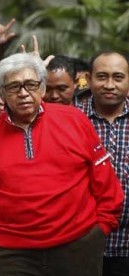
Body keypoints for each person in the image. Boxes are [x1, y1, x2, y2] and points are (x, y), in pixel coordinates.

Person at [0, 52, 124, 276]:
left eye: (30, 84)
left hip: (77, 246)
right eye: (13, 87)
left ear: (41, 88)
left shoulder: (74, 119)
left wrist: (102, 227)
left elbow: (104, 179)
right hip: (9, 254)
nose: (23, 93)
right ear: (2, 93)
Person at [77, 51, 129, 276]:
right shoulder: (72, 119)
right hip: (80, 247)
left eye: (118, 77)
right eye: (102, 76)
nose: (109, 85)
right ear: (88, 79)